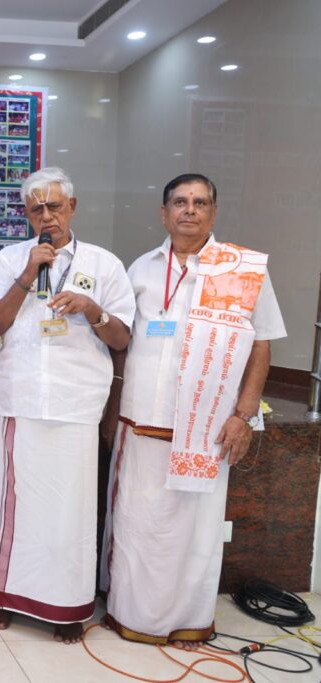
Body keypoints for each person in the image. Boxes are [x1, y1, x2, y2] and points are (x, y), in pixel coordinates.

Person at [101, 173, 286, 648]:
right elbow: (121, 344)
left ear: (214, 212)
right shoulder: (140, 269)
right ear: (163, 214)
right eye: (180, 202)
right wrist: (112, 409)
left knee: (194, 532)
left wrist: (243, 416)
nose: (189, 210)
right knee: (137, 524)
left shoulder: (242, 270)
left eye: (200, 202)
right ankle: (128, 614)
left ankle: (188, 621)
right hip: (141, 422)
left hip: (207, 428)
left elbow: (262, 345)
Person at [0, 166, 135, 644]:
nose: (46, 216)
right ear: (26, 214)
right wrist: (28, 274)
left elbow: (122, 337)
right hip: (23, 401)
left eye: (54, 206)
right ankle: (5, 597)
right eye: (36, 209)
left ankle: (67, 607)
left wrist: (92, 309)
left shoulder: (104, 264)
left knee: (71, 514)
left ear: (73, 207)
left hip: (76, 404)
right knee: (17, 508)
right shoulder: (10, 259)